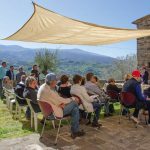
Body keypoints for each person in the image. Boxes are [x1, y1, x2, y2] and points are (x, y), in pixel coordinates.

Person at [37, 73, 85, 139]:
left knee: (75, 109)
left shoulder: (43, 87)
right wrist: (72, 98)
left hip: (47, 112)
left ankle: (75, 130)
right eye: (55, 80)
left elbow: (56, 100)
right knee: (74, 103)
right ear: (51, 82)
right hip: (54, 113)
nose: (57, 82)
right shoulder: (49, 91)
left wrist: (60, 103)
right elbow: (61, 100)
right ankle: (75, 130)